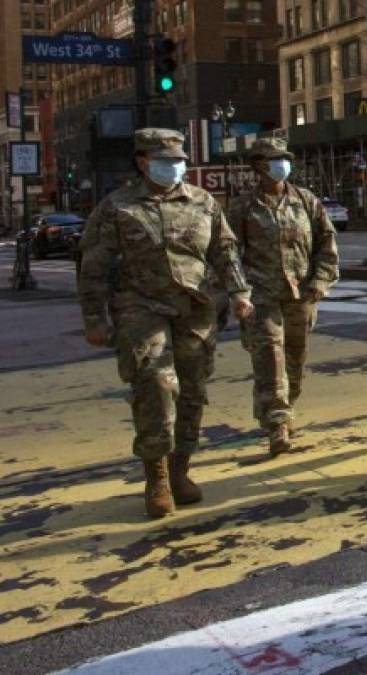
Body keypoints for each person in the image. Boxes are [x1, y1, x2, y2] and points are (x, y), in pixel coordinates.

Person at [78, 128, 253, 519]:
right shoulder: (118, 207)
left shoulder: (203, 202)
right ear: (142, 161)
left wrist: (240, 292)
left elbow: (225, 250)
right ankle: (155, 475)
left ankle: (180, 470)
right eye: (163, 160)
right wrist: (94, 317)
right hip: (141, 307)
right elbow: (93, 266)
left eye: (178, 160)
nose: (173, 167)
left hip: (196, 306)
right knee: (156, 384)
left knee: (192, 389)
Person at [228, 138, 339, 457]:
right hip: (260, 297)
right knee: (270, 359)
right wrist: (237, 290)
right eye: (274, 159)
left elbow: (326, 243)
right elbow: (229, 252)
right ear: (258, 166)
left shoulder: (305, 201)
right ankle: (277, 423)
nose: (281, 165)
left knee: (294, 360)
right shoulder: (243, 206)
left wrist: (320, 281)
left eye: (284, 158)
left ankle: (283, 409)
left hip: (300, 295)